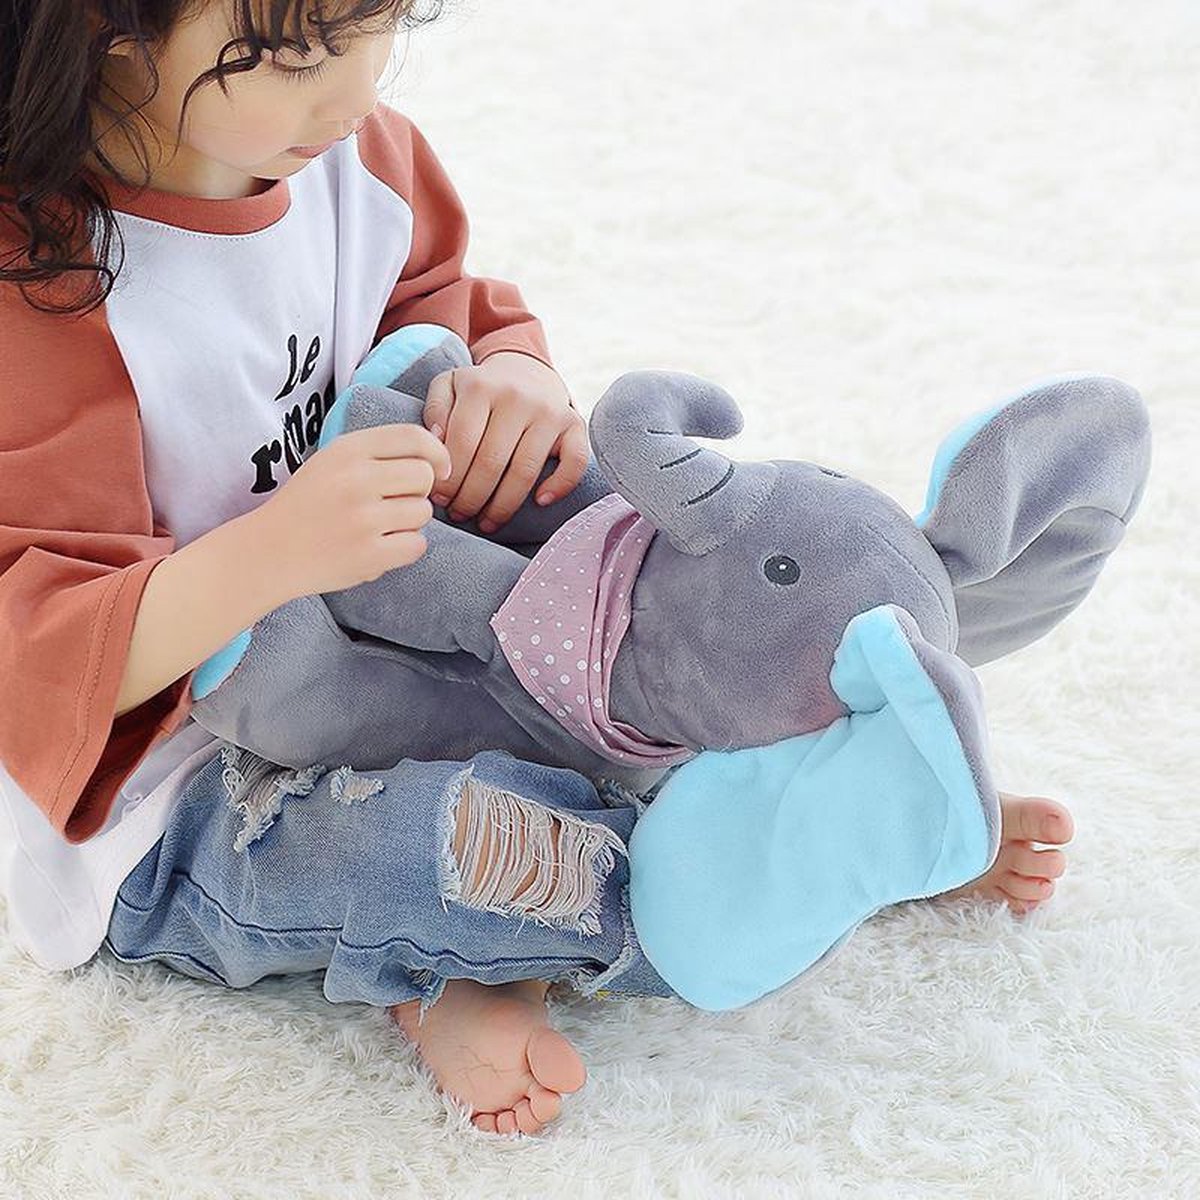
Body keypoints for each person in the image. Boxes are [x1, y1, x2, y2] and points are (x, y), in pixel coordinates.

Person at [0, 0, 1074, 1139]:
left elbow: (440, 304)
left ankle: (849, 788)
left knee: (670, 614)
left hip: (418, 625)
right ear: (107, 29)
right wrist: (269, 554)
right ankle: (826, 849)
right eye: (301, 54)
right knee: (459, 849)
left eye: (378, 27)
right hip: (176, 790)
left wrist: (512, 384)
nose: (357, 93)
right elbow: (37, 661)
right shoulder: (44, 299)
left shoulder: (352, 157)